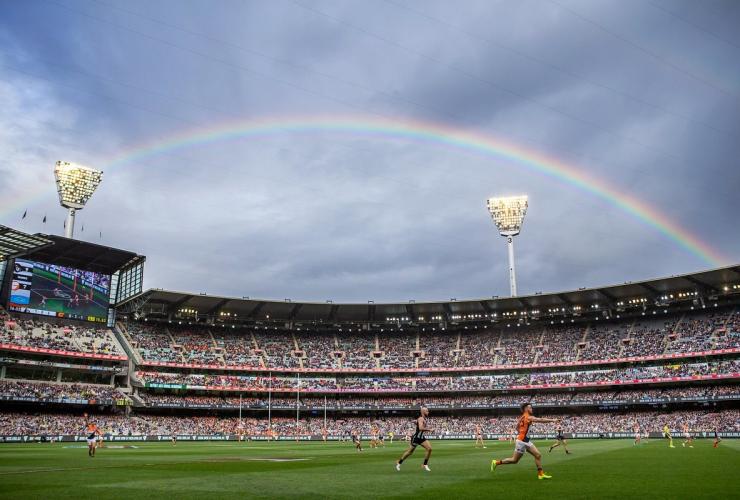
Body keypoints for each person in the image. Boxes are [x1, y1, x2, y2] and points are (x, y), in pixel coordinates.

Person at [491, 403, 557, 480]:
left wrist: (521, 432)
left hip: (525, 441)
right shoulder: (528, 417)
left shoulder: (522, 417)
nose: (532, 409)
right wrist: (553, 420)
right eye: (530, 408)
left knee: (538, 455)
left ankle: (540, 474)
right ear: (526, 409)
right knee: (514, 460)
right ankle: (496, 462)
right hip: (522, 442)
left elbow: (517, 427)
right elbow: (540, 420)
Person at [396, 406, 433, 472]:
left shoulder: (423, 419)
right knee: (409, 452)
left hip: (421, 438)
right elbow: (421, 428)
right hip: (416, 438)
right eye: (427, 411)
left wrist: (415, 422)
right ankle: (399, 463)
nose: (428, 412)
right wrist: (429, 429)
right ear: (423, 412)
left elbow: (418, 424)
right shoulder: (421, 418)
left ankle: (425, 464)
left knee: (429, 449)